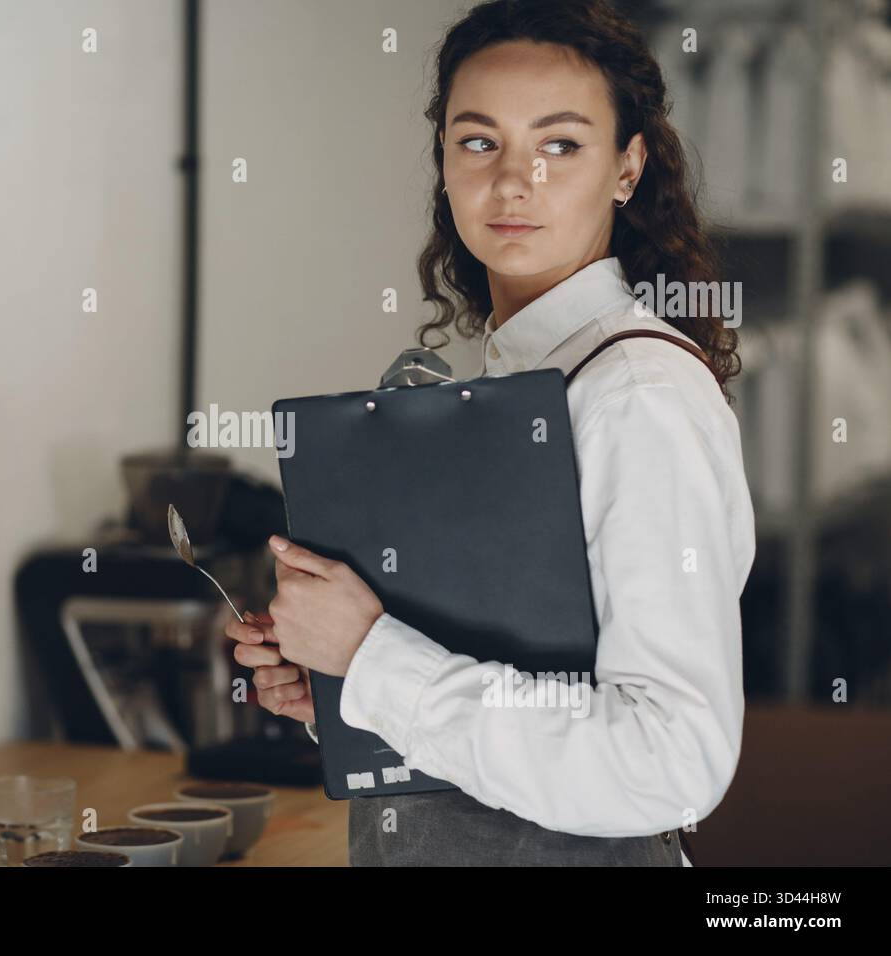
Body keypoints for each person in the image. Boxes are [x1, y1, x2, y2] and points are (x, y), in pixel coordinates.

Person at [224, 0, 756, 866]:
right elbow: (521, 693)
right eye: (479, 142)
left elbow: (670, 761)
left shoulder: (637, 396)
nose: (514, 183)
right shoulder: (520, 382)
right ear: (443, 162)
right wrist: (342, 690)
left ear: (627, 168)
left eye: (560, 145)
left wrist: (373, 656)